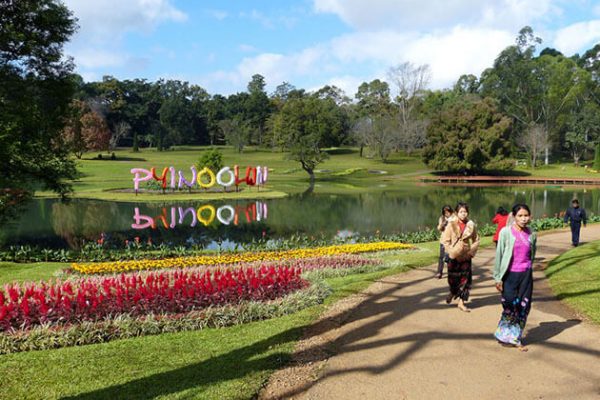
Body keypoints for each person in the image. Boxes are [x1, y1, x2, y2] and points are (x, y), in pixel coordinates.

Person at [493, 203, 537, 352]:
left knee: (523, 306)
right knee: (509, 304)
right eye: (520, 216)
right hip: (510, 275)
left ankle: (516, 338)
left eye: (526, 215)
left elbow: (532, 254)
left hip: (526, 275)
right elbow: (499, 255)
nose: (524, 219)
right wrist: (498, 277)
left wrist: (529, 269)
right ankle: (504, 333)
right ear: (514, 216)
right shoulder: (506, 232)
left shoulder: (532, 233)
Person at [441, 202, 479, 312]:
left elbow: (476, 240)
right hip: (453, 256)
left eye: (465, 212)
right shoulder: (451, 224)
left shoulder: (471, 225)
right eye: (461, 212)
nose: (463, 214)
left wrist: (471, 252)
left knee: (465, 280)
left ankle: (461, 302)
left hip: (466, 256)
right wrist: (451, 252)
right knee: (452, 279)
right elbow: (445, 241)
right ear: (457, 213)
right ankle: (453, 291)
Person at [435, 205, 455, 279]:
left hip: (452, 241)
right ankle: (439, 272)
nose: (447, 213)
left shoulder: (454, 218)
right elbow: (439, 228)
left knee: (451, 257)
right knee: (441, 257)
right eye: (445, 212)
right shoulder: (442, 218)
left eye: (448, 212)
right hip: (443, 240)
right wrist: (442, 224)